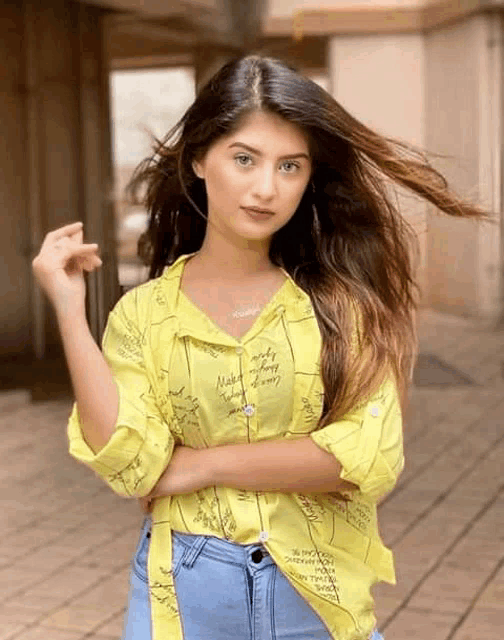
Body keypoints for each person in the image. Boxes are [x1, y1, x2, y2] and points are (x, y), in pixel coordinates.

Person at [32, 54, 489, 640]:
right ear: (200, 158)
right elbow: (131, 466)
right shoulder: (144, 315)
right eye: (244, 159)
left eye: (290, 165)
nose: (266, 188)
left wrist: (200, 465)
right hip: (185, 592)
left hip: (317, 597)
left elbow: (368, 458)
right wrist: (71, 313)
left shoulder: (340, 305)